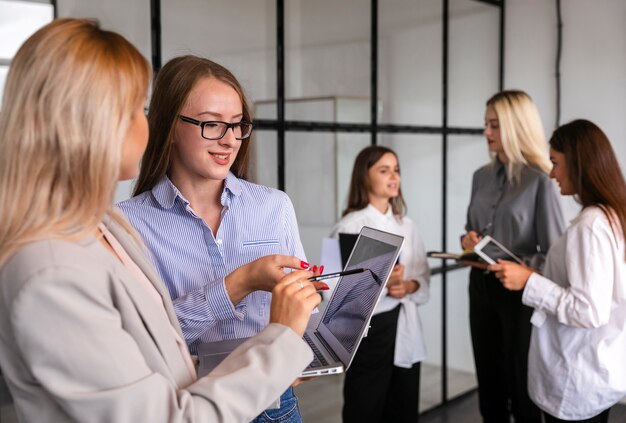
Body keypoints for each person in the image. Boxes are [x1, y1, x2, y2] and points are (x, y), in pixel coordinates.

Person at [0, 18, 323, 423]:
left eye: (236, 125)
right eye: (135, 108)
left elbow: (157, 344)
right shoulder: (49, 272)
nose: (145, 124)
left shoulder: (104, 230)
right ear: (87, 122)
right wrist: (279, 342)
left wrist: (298, 336)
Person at [116, 55, 318, 423]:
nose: (229, 140)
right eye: (211, 124)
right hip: (186, 406)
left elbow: (305, 304)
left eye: (238, 125)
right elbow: (146, 341)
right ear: (169, 127)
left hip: (274, 403)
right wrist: (238, 284)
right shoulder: (127, 225)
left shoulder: (273, 206)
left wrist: (305, 335)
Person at [489, 119, 626, 423]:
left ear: (579, 164)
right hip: (595, 368)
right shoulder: (612, 216)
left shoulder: (590, 226)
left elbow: (589, 310)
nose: (552, 174)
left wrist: (529, 282)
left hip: (576, 375)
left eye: (556, 163)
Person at [460, 90, 566, 423]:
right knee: (489, 383)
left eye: (495, 125)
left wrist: (521, 268)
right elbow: (469, 230)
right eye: (486, 124)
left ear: (516, 126)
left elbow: (553, 255)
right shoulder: (480, 176)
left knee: (522, 385)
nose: (486, 133)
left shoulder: (541, 181)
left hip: (520, 295)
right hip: (479, 285)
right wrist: (468, 240)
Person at [330, 145, 430, 423]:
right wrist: (384, 284)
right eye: (384, 170)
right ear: (364, 177)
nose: (393, 176)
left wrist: (407, 286)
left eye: (396, 170)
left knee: (403, 407)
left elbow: (423, 277)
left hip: (406, 326)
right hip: (370, 332)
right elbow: (335, 296)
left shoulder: (407, 225)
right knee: (364, 408)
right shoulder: (350, 227)